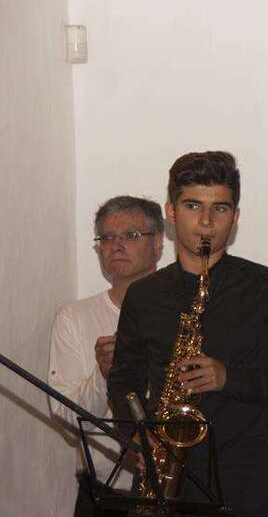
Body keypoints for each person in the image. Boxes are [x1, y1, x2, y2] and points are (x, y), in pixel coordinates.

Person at [107, 151, 268, 517]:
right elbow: (123, 382)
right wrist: (137, 436)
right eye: (192, 206)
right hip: (162, 482)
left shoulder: (267, 287)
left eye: (220, 208)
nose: (206, 221)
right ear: (171, 213)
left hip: (241, 486)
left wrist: (227, 377)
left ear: (236, 216)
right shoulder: (144, 295)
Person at [49, 196, 164, 517]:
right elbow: (67, 421)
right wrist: (103, 374)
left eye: (130, 235)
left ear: (158, 244)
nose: (116, 245)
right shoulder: (74, 318)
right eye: (107, 237)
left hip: (175, 492)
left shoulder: (183, 311)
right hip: (104, 498)